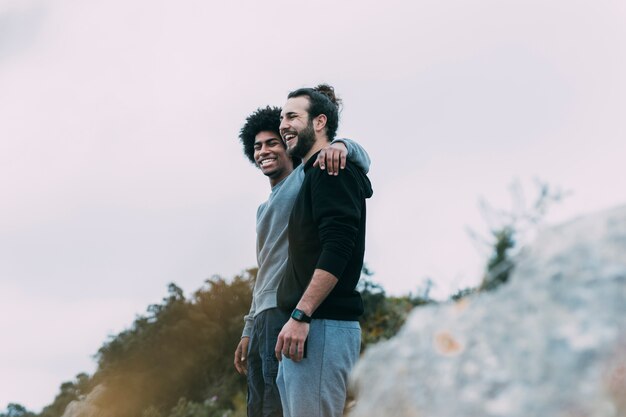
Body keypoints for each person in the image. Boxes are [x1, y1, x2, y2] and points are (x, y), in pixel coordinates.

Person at [234, 104, 371, 417]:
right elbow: (264, 271)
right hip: (261, 318)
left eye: (272, 143)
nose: (264, 151)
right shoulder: (262, 208)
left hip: (287, 312)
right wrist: (248, 328)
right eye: (257, 147)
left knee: (277, 408)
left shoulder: (303, 179)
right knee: (258, 407)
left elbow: (362, 158)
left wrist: (341, 145)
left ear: (290, 147)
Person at [274, 85, 373, 417]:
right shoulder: (314, 172)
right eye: (281, 118)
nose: (283, 124)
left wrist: (302, 314)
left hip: (320, 326)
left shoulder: (332, 169)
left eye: (292, 116)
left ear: (319, 122)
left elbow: (339, 246)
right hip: (305, 330)